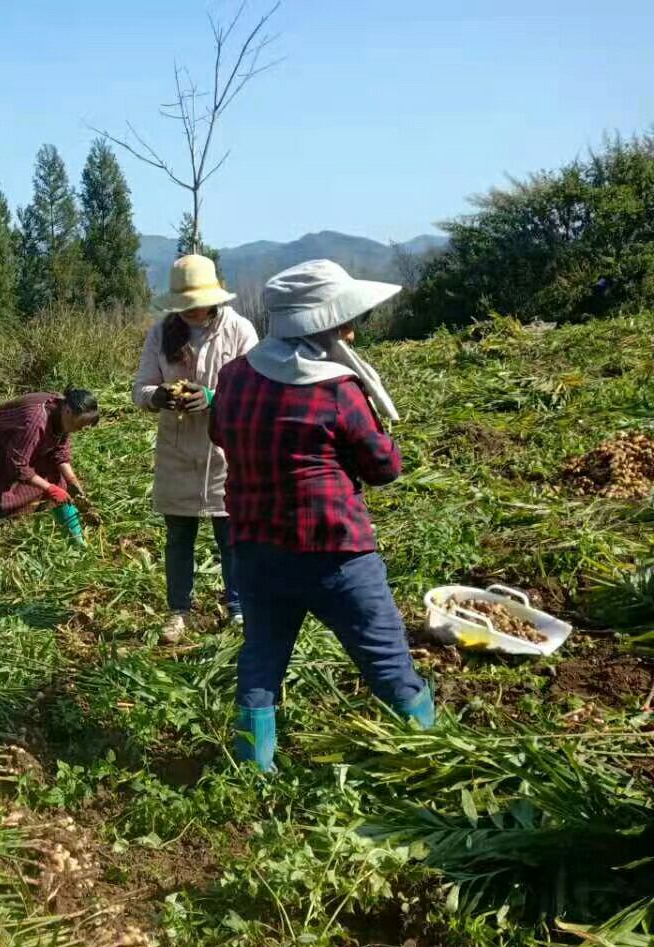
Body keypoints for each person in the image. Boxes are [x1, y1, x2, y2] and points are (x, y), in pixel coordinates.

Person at [210, 259, 435, 773]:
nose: (351, 330)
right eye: (344, 320)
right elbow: (384, 467)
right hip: (334, 552)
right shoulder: (335, 387)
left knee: (262, 658)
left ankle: (251, 773)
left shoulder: (234, 377)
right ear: (321, 324)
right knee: (384, 660)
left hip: (257, 549)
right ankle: (431, 758)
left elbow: (219, 434)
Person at [134, 254, 259, 644]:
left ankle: (239, 607)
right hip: (176, 451)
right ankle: (179, 611)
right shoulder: (162, 333)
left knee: (230, 535)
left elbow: (256, 389)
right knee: (179, 536)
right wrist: (159, 398)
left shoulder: (238, 330)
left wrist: (213, 397)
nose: (190, 310)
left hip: (224, 453)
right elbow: (140, 388)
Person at [0, 390, 100, 563]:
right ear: (68, 411)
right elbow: (19, 465)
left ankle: (78, 542)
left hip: (29, 438)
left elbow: (60, 453)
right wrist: (49, 488)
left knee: (57, 479)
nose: (81, 429)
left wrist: (72, 482)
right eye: (80, 424)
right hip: (0, 440)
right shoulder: (36, 419)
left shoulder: (63, 415)